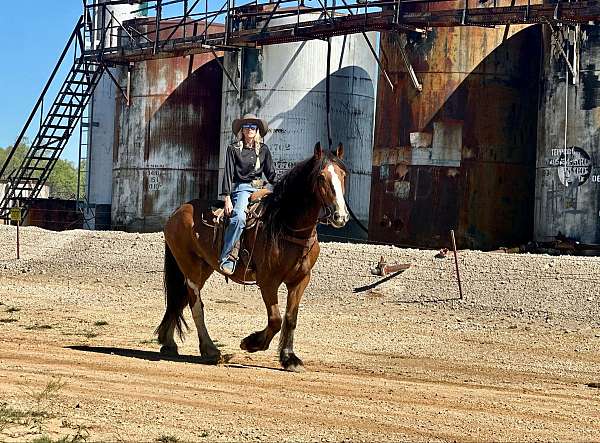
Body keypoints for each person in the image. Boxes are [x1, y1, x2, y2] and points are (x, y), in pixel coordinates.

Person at [219, 113, 276, 275]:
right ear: (242, 130)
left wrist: (284, 187)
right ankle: (228, 257)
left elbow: (271, 174)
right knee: (238, 218)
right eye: (246, 127)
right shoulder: (233, 149)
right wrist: (227, 197)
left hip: (260, 188)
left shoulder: (264, 149)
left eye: (253, 127)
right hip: (242, 188)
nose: (250, 129)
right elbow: (228, 174)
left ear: (257, 130)